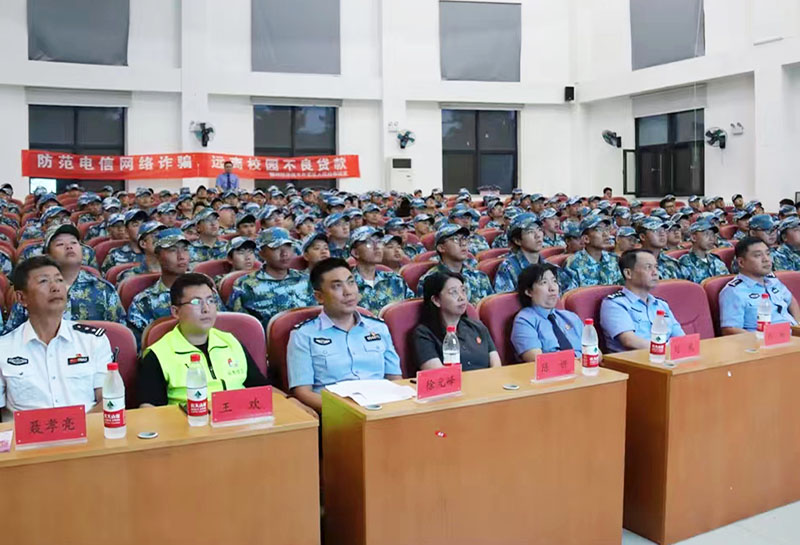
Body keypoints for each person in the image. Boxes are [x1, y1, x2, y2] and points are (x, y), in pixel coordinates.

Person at [0, 256, 113, 420]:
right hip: (26, 435)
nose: (55, 287)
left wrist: (74, 428)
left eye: (59, 280)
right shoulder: (4, 348)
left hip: (87, 432)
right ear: (21, 298)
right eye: (44, 281)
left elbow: (109, 400)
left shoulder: (93, 341)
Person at [287, 258, 402, 413]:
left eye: (351, 282)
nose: (348, 292)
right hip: (337, 414)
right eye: (337, 286)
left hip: (383, 409)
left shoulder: (378, 327)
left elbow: (395, 378)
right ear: (319, 297)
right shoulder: (304, 334)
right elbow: (303, 392)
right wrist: (350, 411)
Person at [137, 273, 268, 407]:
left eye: (210, 301)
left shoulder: (230, 342)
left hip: (242, 416)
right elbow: (149, 409)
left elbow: (264, 390)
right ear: (176, 312)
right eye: (196, 302)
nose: (206, 309)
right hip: (190, 418)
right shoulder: (158, 355)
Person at [5, 226, 126, 333]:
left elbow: (119, 334)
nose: (69, 247)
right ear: (47, 255)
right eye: (60, 244)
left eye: (74, 242)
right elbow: (12, 336)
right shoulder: (32, 290)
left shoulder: (103, 289)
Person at [229, 227, 315, 330]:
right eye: (276, 247)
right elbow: (239, 326)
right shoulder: (245, 284)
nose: (284, 253)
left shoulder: (305, 280)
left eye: (288, 246)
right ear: (262, 253)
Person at [600, 249, 684, 352]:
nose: (655, 272)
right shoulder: (615, 304)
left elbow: (680, 337)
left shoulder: (661, 304)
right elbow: (629, 341)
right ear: (628, 273)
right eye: (648, 267)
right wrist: (667, 349)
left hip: (667, 357)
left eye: (656, 267)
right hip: (634, 360)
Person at [413, 271, 500, 371]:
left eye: (463, 290)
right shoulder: (424, 334)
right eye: (453, 292)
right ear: (436, 300)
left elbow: (497, 366)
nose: (461, 297)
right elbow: (439, 374)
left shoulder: (478, 327)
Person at [719, 237, 800, 334]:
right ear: (741, 262)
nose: (766, 259)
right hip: (768, 339)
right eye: (758, 255)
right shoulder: (733, 291)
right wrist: (760, 338)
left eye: (768, 254)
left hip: (793, 334)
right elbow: (730, 329)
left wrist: (797, 326)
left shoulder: (772, 280)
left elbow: (791, 301)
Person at [127, 228, 193, 343]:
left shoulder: (204, 290)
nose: (181, 256)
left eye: (185, 249)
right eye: (172, 250)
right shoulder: (144, 302)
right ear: (157, 256)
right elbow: (138, 347)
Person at [510, 263, 584, 362]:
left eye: (554, 281)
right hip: (555, 371)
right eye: (544, 282)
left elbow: (596, 352)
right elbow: (537, 360)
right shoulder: (524, 320)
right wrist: (575, 362)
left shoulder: (571, 317)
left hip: (584, 369)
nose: (552, 288)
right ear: (529, 291)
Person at [494, 213, 575, 293]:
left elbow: (570, 293)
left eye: (539, 230)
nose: (538, 235)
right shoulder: (509, 268)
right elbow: (506, 300)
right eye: (530, 232)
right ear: (517, 240)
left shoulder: (550, 267)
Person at [416, 224, 494, 305]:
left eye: (464, 239)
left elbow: (490, 307)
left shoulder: (479, 276)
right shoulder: (429, 281)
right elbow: (430, 311)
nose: (463, 243)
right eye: (456, 239)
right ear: (441, 248)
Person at [349, 226, 413, 314]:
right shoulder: (346, 285)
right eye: (369, 243)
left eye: (379, 242)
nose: (377, 247)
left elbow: (411, 311)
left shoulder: (395, 280)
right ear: (355, 253)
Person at [565, 216, 623, 287]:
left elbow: (621, 287)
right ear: (586, 239)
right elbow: (570, 293)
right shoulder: (573, 265)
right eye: (599, 230)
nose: (606, 234)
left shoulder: (613, 259)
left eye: (607, 229)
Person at [102, 208, 148, 274]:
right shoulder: (115, 255)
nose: (142, 228)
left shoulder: (157, 253)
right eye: (135, 225)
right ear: (126, 231)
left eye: (144, 224)